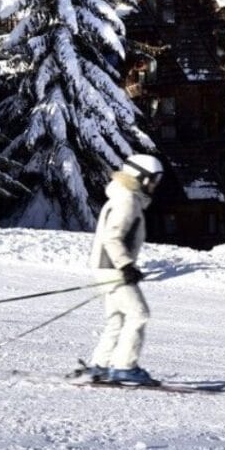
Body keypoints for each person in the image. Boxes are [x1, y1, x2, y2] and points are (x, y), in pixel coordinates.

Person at [86, 153, 164, 385]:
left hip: (106, 268)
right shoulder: (127, 201)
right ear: (139, 176)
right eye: (153, 179)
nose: (155, 185)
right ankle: (124, 367)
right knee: (139, 314)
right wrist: (126, 265)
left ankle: (99, 366)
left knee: (117, 319)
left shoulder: (124, 198)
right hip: (113, 270)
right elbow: (112, 238)